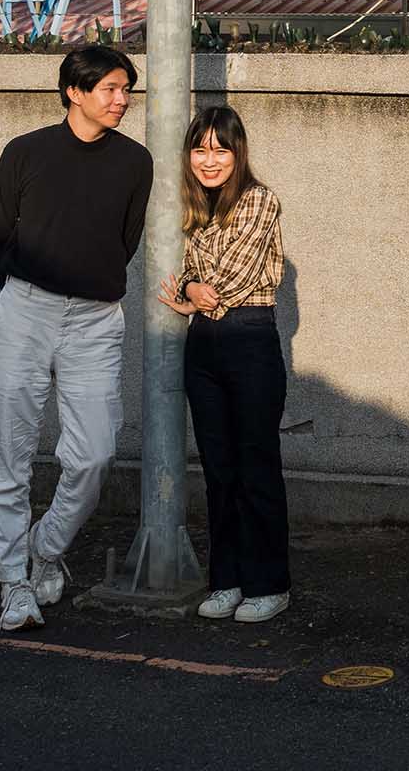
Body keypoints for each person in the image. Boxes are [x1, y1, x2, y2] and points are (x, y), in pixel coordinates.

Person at [0, 43, 153, 633]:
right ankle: (12, 584)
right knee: (11, 453)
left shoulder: (136, 162)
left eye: (126, 89)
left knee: (95, 453)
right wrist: (30, 292)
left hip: (97, 318)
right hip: (25, 310)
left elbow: (125, 240)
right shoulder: (24, 152)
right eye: (110, 88)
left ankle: (45, 547)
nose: (122, 99)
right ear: (74, 91)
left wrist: (85, 285)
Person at [157, 105, 292, 624]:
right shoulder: (198, 206)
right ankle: (228, 579)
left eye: (220, 149)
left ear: (239, 153)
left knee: (256, 464)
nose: (208, 160)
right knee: (218, 468)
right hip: (205, 346)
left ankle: (269, 583)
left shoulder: (259, 200)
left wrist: (197, 292)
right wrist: (193, 288)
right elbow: (193, 274)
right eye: (199, 148)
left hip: (250, 338)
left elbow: (231, 278)